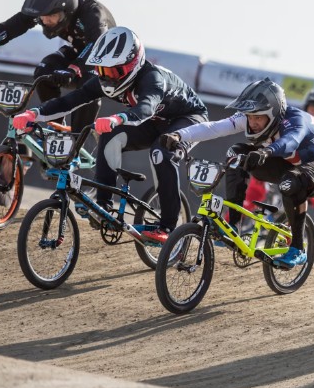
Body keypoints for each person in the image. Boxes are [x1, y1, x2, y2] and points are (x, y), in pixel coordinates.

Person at [12, 26, 207, 243]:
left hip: (189, 119)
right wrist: (34, 113)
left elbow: (145, 109)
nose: (107, 78)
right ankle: (103, 205)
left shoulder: (152, 78)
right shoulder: (103, 80)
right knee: (109, 135)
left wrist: (117, 118)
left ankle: (169, 227)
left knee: (161, 151)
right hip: (155, 122)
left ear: (133, 64)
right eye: (102, 71)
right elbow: (70, 101)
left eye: (113, 72)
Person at [162, 78, 314, 268]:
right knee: (236, 154)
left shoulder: (295, 120)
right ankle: (233, 224)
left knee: (292, 181)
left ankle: (298, 249)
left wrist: (265, 152)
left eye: (258, 117)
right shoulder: (252, 117)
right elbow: (215, 127)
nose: (253, 122)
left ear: (274, 113)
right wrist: (180, 135)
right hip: (289, 161)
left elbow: (291, 141)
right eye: (250, 117)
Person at [0, 0, 115, 132]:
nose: (46, 22)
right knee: (43, 71)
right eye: (42, 17)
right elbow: (8, 29)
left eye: (52, 16)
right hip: (78, 52)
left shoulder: (92, 12)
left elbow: (98, 44)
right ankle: (57, 126)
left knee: (87, 86)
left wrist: (74, 68)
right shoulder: (46, 13)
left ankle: (75, 140)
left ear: (67, 11)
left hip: (105, 60)